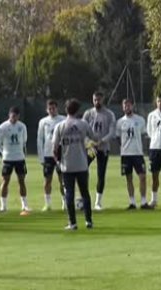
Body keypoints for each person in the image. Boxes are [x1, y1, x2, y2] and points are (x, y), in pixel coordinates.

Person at [52, 99, 99, 230]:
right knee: (85, 193)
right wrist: (90, 146)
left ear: (66, 110)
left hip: (67, 165)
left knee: (69, 194)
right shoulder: (83, 124)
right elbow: (94, 138)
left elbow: (55, 148)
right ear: (78, 110)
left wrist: (57, 161)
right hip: (82, 164)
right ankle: (89, 221)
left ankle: (72, 223)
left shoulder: (60, 126)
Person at [82, 92, 116, 210]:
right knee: (83, 170)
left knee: (101, 174)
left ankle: (98, 202)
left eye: (99, 100)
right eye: (95, 100)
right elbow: (82, 130)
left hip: (103, 148)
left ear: (103, 99)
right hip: (90, 148)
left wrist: (102, 141)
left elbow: (112, 132)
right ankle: (83, 198)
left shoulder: (109, 114)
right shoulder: (88, 114)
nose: (97, 102)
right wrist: (89, 142)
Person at [116, 98, 151, 210]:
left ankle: (144, 201)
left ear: (132, 106)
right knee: (129, 178)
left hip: (138, 153)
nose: (127, 107)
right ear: (123, 107)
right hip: (126, 154)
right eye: (125, 105)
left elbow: (143, 134)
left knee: (142, 177)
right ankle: (132, 202)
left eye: (129, 105)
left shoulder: (140, 120)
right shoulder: (120, 122)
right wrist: (123, 147)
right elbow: (117, 137)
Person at [0, 106, 30, 213]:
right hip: (7, 158)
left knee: (21, 181)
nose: (14, 118)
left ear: (18, 116)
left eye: (16, 116)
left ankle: (24, 205)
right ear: (9, 115)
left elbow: (24, 140)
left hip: (19, 158)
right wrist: (2, 153)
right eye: (12, 116)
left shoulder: (22, 126)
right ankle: (3, 206)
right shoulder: (3, 127)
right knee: (5, 181)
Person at [37, 99, 66, 211]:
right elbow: (40, 139)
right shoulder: (43, 121)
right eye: (50, 109)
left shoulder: (63, 119)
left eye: (53, 108)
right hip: (48, 154)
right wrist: (41, 156)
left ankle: (65, 202)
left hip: (60, 154)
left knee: (62, 180)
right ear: (46, 109)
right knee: (47, 179)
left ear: (57, 108)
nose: (52, 110)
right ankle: (47, 204)